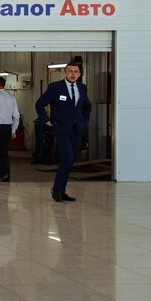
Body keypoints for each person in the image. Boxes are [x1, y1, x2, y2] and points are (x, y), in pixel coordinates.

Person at [35, 60, 91, 202]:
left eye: (76, 72)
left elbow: (87, 106)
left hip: (76, 128)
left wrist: (84, 121)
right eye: (70, 71)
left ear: (79, 74)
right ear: (65, 72)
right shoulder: (55, 87)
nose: (73, 74)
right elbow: (39, 104)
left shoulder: (82, 88)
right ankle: (56, 189)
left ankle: (61, 190)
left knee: (70, 160)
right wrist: (46, 120)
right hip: (61, 128)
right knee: (68, 157)